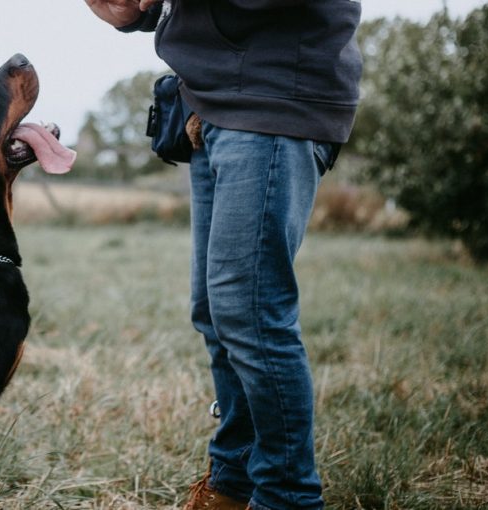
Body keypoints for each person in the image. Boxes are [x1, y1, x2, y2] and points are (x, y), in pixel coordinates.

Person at [84, 1, 362, 509]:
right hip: (212, 102)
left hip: (275, 96)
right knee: (216, 312)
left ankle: (287, 498)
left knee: (251, 315)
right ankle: (233, 484)